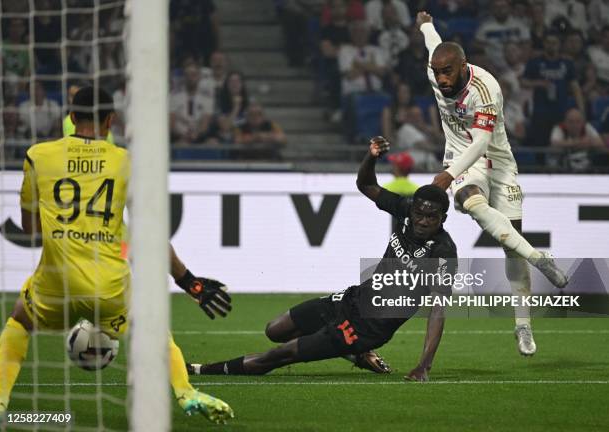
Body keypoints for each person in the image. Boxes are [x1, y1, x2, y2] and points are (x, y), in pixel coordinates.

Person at [0, 87, 234, 424]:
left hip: (55, 283)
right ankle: (185, 393)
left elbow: (30, 229)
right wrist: (191, 284)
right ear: (111, 120)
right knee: (153, 329)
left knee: (20, 320)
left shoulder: (38, 154)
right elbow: (150, 236)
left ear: (70, 117)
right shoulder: (126, 162)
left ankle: (0, 402)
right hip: (110, 288)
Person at [187, 137, 457, 382]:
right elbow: (366, 184)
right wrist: (371, 157)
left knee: (276, 355)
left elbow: (437, 311)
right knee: (275, 329)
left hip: (366, 327)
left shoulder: (443, 252)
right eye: (419, 213)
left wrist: (424, 366)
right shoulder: (405, 210)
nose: (422, 221)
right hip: (350, 299)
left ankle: (199, 369)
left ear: (443, 218)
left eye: (430, 217)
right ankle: (358, 355)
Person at [416, 11, 569, 357]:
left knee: (510, 247)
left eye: (447, 72)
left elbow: (481, 144)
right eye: (437, 72)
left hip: (497, 163)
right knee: (471, 201)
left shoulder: (486, 89)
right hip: (462, 161)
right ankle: (540, 257)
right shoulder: (436, 66)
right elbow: (433, 43)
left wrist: (446, 176)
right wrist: (425, 23)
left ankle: (522, 325)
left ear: (463, 65)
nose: (441, 79)